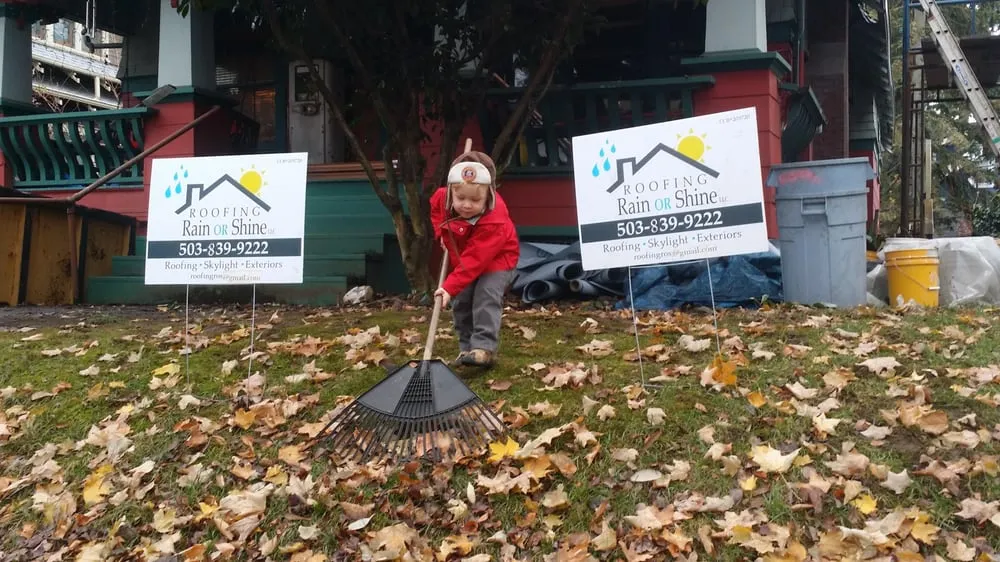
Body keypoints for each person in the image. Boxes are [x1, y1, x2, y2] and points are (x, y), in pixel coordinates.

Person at [430, 152, 520, 368]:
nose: (467, 205)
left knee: (485, 295)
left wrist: (448, 287)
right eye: (461, 199)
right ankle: (466, 349)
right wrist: (442, 233)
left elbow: (475, 260)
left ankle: (483, 348)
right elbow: (436, 211)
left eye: (475, 200)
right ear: (451, 192)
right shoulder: (442, 198)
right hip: (465, 259)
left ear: (488, 196)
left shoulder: (494, 219)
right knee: (462, 300)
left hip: (498, 259)